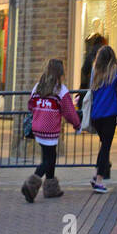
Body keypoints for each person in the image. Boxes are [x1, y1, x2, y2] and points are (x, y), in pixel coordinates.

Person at [21, 58, 81, 202]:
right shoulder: (61, 90)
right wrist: (77, 125)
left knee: (48, 157)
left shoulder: (38, 87)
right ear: (60, 72)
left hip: (37, 127)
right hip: (50, 129)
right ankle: (31, 185)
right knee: (49, 160)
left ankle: (51, 188)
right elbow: (69, 112)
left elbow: (30, 105)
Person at [88, 44, 117, 192]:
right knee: (106, 148)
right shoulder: (115, 71)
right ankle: (99, 180)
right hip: (109, 114)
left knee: (104, 145)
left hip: (96, 114)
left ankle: (95, 174)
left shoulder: (95, 71)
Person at [79, 32, 106, 100]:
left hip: (92, 87)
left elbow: (84, 71)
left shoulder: (90, 55)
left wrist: (82, 86)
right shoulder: (107, 55)